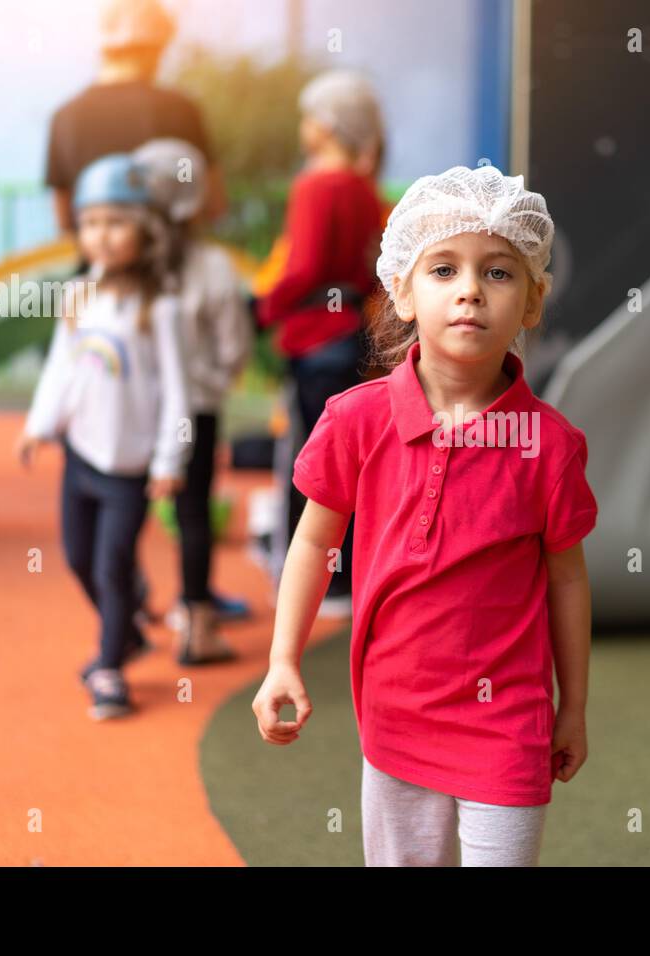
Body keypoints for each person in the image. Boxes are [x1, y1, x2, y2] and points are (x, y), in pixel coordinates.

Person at [250, 165, 598, 866]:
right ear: (402, 292)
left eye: (499, 273)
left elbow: (567, 580)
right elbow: (315, 542)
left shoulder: (550, 445)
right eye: (444, 269)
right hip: (395, 723)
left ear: (532, 303)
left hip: (509, 727)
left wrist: (573, 708)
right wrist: (282, 658)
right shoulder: (354, 421)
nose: (470, 289)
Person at [17, 153, 191, 721]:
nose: (102, 234)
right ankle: (128, 633)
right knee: (76, 558)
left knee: (113, 564)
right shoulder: (79, 296)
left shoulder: (159, 306)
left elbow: (178, 393)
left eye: (116, 222)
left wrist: (170, 458)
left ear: (145, 231)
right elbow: (60, 371)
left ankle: (111, 667)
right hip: (81, 455)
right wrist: (38, 427)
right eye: (91, 222)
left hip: (129, 465)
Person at [255, 69, 386, 617]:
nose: (304, 127)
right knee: (350, 463)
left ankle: (307, 579)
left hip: (313, 338)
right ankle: (347, 576)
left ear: (327, 125)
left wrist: (262, 308)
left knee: (307, 462)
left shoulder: (314, 185)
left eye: (310, 116)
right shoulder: (364, 189)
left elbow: (302, 266)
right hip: (352, 335)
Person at [132, 137, 252, 663]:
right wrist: (211, 380)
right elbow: (235, 347)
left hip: (133, 410)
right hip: (196, 412)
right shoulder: (215, 267)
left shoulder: (129, 266)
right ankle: (197, 626)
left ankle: (128, 615)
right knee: (194, 514)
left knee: (124, 511)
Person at [44, 0, 226, 234]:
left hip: (96, 266)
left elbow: (65, 221)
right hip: (173, 265)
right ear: (156, 47)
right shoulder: (180, 110)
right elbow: (211, 203)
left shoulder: (65, 117)